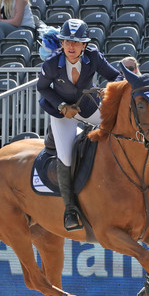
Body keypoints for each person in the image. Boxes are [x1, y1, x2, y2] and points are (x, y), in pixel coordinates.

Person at [36, 18, 120, 231]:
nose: (71, 47)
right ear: (62, 43)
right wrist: (62, 105)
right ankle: (70, 209)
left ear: (84, 45)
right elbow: (43, 88)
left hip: (88, 107)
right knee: (64, 156)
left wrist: (108, 89)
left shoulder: (93, 57)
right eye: (67, 42)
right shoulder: (52, 64)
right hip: (62, 114)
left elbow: (115, 75)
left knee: (116, 133)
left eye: (76, 42)